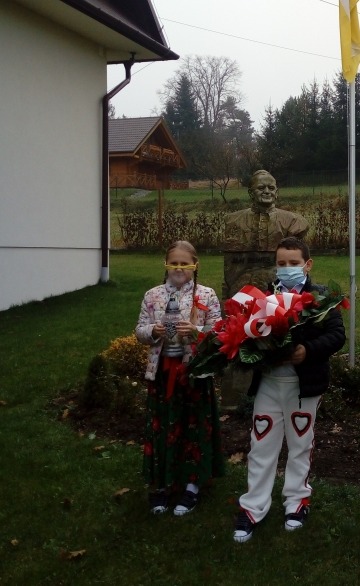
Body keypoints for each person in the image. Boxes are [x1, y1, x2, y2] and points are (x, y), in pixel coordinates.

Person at [233, 237, 346, 542]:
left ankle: (296, 502)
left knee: (300, 444)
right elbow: (245, 331)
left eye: (294, 263)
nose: (287, 268)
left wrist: (307, 351)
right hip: (269, 384)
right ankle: (253, 506)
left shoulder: (321, 298)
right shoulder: (263, 297)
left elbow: (337, 335)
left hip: (303, 386)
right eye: (281, 263)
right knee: (261, 444)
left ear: (307, 265)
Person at [135, 240, 224, 516]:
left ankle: (191, 484)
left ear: (195, 265)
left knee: (192, 425)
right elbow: (139, 330)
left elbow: (218, 333)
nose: (178, 268)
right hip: (162, 372)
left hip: (194, 372)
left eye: (184, 264)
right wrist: (153, 330)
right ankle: (163, 482)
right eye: (173, 263)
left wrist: (196, 332)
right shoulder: (153, 295)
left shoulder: (206, 295)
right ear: (166, 265)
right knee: (163, 425)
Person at [224, 170, 309, 251]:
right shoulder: (232, 219)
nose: (267, 191)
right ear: (251, 193)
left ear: (276, 193)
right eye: (261, 188)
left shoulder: (294, 221)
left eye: (271, 188)